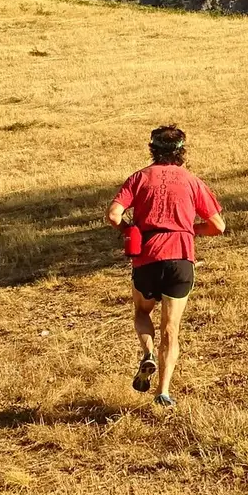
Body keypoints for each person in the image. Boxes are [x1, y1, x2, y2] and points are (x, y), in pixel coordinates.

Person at [105, 124, 224, 407]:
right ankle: (164, 393)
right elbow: (218, 226)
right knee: (171, 328)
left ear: (153, 149)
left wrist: (128, 230)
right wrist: (187, 230)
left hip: (147, 256)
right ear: (182, 152)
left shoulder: (139, 178)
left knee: (141, 312)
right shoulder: (193, 181)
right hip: (180, 258)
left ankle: (147, 353)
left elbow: (113, 215)